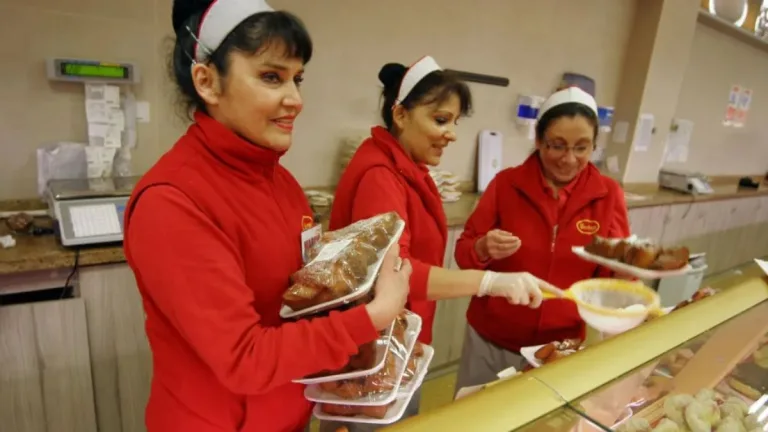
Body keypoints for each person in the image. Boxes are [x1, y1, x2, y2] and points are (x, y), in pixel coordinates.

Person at [122, 1, 412, 431]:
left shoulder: (280, 182)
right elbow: (243, 358)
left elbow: (295, 297)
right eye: (271, 77)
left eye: (297, 79)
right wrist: (373, 316)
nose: (295, 99)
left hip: (288, 412)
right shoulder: (173, 201)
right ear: (207, 81)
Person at [323, 56, 561, 431]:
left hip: (398, 340)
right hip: (374, 351)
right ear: (400, 115)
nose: (451, 133)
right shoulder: (380, 176)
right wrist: (488, 282)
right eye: (439, 120)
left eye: (454, 122)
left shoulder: (408, 168)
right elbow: (395, 275)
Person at [453, 86, 631, 391]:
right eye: (557, 146)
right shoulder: (506, 184)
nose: (569, 159)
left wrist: (628, 273)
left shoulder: (607, 194)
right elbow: (463, 252)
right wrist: (482, 248)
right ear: (538, 141)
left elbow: (613, 272)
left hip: (559, 348)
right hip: (492, 339)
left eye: (582, 148)